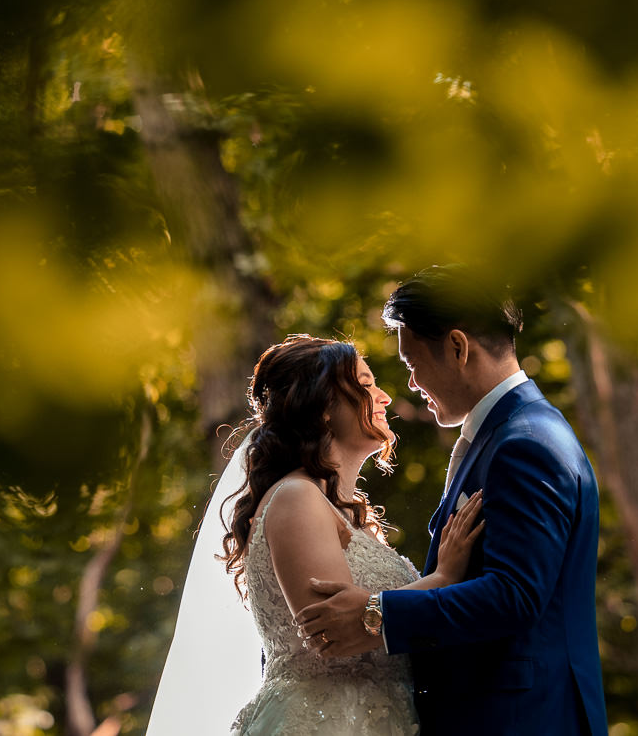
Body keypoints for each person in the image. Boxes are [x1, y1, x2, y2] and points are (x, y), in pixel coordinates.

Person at [295, 266, 607, 735]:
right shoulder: (506, 434)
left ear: (458, 348)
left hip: (522, 720)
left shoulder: (526, 443)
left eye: (412, 364)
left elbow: (515, 595)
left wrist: (375, 615)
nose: (411, 383)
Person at [150, 334, 484, 736]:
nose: (384, 397)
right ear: (324, 407)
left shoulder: (342, 510)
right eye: (364, 384)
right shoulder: (296, 498)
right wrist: (443, 580)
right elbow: (332, 634)